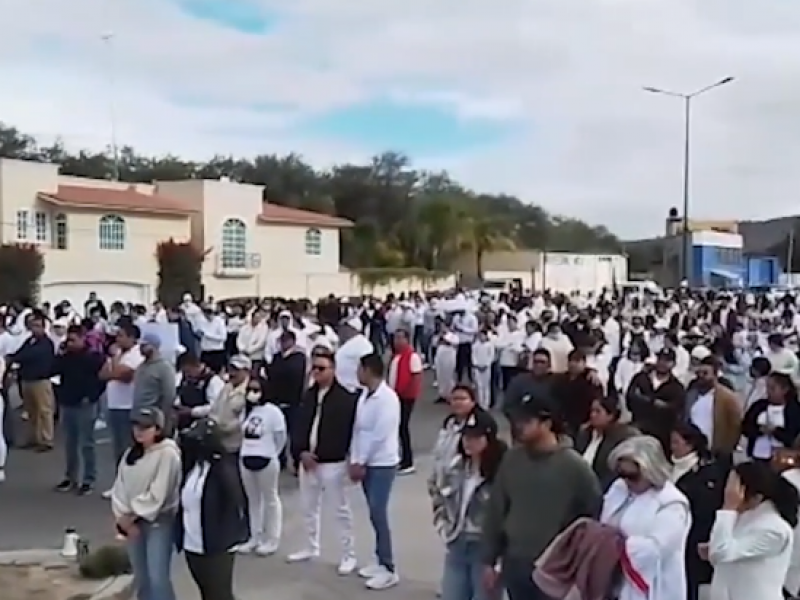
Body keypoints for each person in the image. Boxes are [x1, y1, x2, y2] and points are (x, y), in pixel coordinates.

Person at [482, 397, 602, 600]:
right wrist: (489, 560)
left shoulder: (574, 467)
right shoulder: (512, 459)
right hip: (515, 563)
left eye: (527, 421)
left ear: (547, 424)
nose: (519, 426)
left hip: (555, 568)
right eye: (517, 420)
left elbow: (594, 517)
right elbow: (496, 511)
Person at [288, 348, 359, 573]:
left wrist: (349, 458)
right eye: (314, 368)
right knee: (308, 507)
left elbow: (348, 433)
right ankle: (311, 546)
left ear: (333, 369)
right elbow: (299, 425)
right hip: (307, 461)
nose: (316, 372)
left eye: (321, 368)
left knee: (340, 510)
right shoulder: (309, 395)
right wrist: (300, 452)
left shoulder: (345, 399)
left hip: (332, 462)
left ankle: (349, 554)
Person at [602, 435, 691, 600]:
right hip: (613, 584)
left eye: (633, 476)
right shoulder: (618, 489)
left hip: (652, 588)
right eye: (622, 474)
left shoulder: (671, 503)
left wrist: (615, 545)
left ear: (652, 470)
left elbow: (655, 548)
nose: (626, 481)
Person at [433, 410, 507, 600]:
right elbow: (437, 492)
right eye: (466, 436)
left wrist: (498, 561)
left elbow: (508, 516)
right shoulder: (455, 467)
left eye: (475, 437)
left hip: (485, 550)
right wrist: (444, 526)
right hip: (457, 543)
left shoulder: (502, 475)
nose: (468, 441)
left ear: (488, 438)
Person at [111, 407, 182, 600]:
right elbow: (120, 487)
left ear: (158, 429)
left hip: (159, 521)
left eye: (145, 427)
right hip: (132, 522)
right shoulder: (130, 454)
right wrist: (122, 518)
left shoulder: (168, 454)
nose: (139, 431)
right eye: (136, 425)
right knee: (141, 578)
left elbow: (159, 492)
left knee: (157, 577)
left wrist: (131, 515)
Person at [176, 418, 249, 600]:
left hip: (217, 547)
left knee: (219, 594)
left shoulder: (224, 469)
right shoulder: (192, 467)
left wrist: (233, 535)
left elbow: (237, 503)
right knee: (206, 593)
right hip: (192, 544)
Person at [706, 462, 798, 600]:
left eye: (733, 489)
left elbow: (720, 553)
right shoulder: (743, 517)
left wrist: (728, 507)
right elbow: (723, 553)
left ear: (756, 497)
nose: (728, 493)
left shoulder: (774, 529)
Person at [349, 352, 401, 590]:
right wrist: (355, 457)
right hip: (364, 460)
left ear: (368, 370)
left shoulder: (388, 399)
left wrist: (361, 460)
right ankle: (379, 558)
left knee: (378, 511)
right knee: (372, 512)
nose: (357, 374)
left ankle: (389, 567)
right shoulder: (364, 396)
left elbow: (379, 435)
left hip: (382, 462)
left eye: (360, 369)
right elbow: (359, 430)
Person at [670, 422, 726, 600]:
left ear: (690, 445)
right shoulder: (669, 467)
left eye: (676, 442)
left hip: (692, 536)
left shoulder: (704, 473)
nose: (672, 447)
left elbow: (705, 509)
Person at [52, 325, 105, 495]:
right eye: (68, 340)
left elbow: (102, 379)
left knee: (86, 443)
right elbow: (52, 370)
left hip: (85, 404)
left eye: (74, 340)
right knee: (70, 443)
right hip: (68, 402)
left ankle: (89, 478)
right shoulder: (65, 357)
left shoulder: (94, 358)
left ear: (83, 339)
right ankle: (71, 476)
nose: (70, 343)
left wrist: (92, 396)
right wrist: (59, 354)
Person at [238, 377, 287, 556]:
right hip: (246, 457)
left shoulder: (273, 412)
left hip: (266, 458)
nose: (252, 393)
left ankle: (272, 538)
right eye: (250, 389)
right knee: (253, 500)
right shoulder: (247, 411)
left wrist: (273, 452)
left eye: (256, 390)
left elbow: (280, 437)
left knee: (270, 499)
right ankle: (254, 536)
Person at [10, 312, 56, 451]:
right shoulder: (29, 341)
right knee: (31, 412)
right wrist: (13, 357)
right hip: (27, 380)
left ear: (43, 328)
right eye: (32, 325)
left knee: (44, 411)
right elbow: (20, 353)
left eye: (37, 326)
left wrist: (16, 358)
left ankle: (46, 440)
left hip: (40, 381)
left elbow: (29, 355)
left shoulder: (46, 343)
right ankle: (33, 438)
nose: (34, 329)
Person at [573, 396, 637, 491]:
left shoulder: (620, 437)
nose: (592, 415)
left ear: (610, 415)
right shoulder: (584, 433)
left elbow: (612, 472)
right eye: (592, 411)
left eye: (598, 412)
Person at [684, 356, 742, 459]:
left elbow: (735, 426)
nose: (701, 376)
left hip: (715, 452)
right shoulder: (691, 395)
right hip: (692, 451)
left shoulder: (728, 398)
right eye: (698, 373)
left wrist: (726, 449)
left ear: (715, 375)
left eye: (705, 373)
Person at [742, 372, 800, 462]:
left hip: (782, 458)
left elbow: (793, 436)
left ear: (785, 390)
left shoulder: (794, 411)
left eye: (773, 388)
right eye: (767, 388)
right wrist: (759, 430)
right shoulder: (759, 406)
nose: (768, 392)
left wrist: (775, 431)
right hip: (758, 455)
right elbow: (745, 427)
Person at [388, 329, 423, 475]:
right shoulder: (396, 357)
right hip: (395, 395)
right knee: (397, 427)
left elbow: (415, 378)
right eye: (395, 338)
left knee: (403, 427)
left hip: (405, 397)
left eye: (400, 338)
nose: (397, 341)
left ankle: (408, 461)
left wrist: (405, 393)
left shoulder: (412, 357)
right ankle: (400, 457)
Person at [209, 354, 251, 458]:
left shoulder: (250, 392)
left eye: (236, 370)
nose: (232, 373)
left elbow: (245, 420)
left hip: (238, 447)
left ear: (246, 371)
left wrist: (224, 428)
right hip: (220, 443)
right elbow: (214, 409)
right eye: (230, 369)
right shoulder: (226, 388)